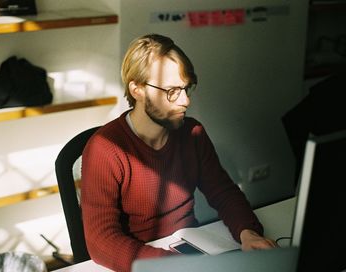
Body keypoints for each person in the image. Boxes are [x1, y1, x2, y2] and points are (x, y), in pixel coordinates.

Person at [81, 33, 277, 272]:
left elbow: (224, 192)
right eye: (172, 91)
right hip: (143, 262)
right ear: (138, 89)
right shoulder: (106, 149)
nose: (185, 101)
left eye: (186, 88)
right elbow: (101, 241)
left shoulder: (192, 133)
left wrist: (248, 233)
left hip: (190, 247)